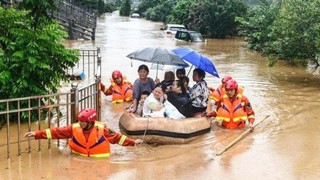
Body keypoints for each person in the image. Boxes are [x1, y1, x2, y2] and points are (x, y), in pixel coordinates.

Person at [24, 108, 143, 157]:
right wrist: (37, 134)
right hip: (77, 158)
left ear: (90, 122)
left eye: (83, 122)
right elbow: (57, 132)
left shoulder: (103, 130)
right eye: (79, 121)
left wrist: (133, 142)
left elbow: (118, 138)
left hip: (100, 163)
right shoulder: (74, 128)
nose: (80, 123)